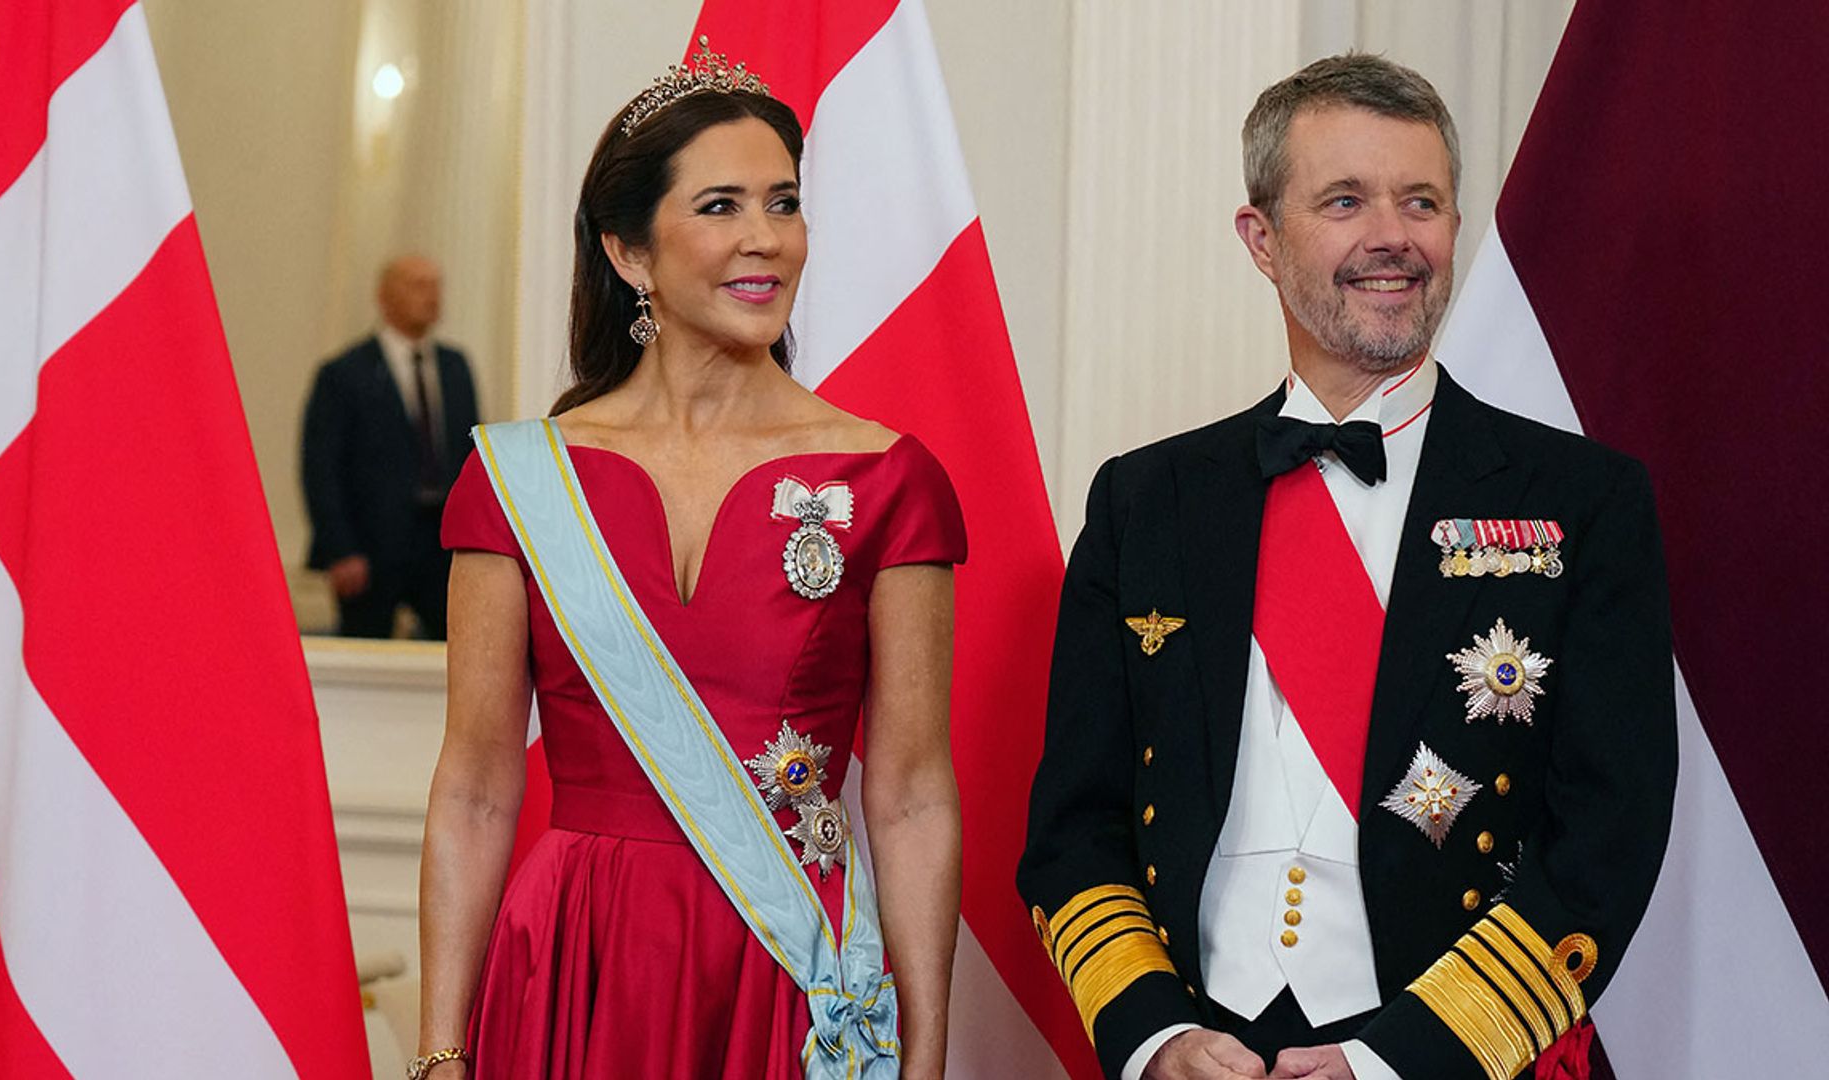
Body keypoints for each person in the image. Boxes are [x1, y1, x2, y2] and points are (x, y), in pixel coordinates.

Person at [1017, 54, 1675, 1080]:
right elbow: (1076, 824)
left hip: (1448, 1051)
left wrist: (1397, 1061)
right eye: (1344, 200)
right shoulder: (1145, 500)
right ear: (1262, 239)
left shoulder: (1583, 502)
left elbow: (1609, 832)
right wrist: (1154, 1035)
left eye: (1423, 201)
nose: (1392, 237)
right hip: (1205, 1047)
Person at [411, 39, 965, 1080]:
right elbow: (477, 786)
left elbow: (911, 793)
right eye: (720, 207)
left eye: (784, 202)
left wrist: (922, 1055)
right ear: (628, 251)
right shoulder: (522, 479)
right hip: (575, 958)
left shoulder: (890, 480)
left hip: (788, 967)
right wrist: (442, 1054)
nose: (766, 240)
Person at [301, 254, 480, 639]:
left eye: (436, 286)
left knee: (454, 648)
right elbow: (321, 468)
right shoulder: (344, 374)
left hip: (441, 546)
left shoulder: (455, 368)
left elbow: (471, 457)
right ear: (384, 296)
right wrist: (340, 549)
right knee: (366, 651)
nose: (431, 296)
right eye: (418, 286)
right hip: (370, 547)